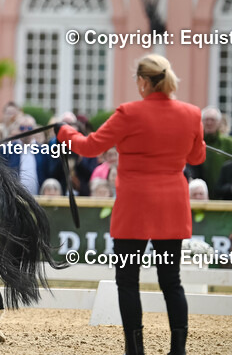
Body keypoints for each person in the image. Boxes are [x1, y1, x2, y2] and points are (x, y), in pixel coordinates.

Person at [56, 54, 206, 355]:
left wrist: (65, 132)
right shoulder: (192, 113)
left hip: (135, 206)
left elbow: (91, 146)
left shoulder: (128, 113)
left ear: (143, 81)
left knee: (127, 279)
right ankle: (178, 349)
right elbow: (197, 158)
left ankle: (134, 350)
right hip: (171, 205)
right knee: (171, 280)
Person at [192, 106, 232, 194]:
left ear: (219, 122)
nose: (209, 123)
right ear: (201, 122)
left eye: (212, 120)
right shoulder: (195, 143)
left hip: (224, 195)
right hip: (200, 196)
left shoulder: (228, 143)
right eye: (206, 120)